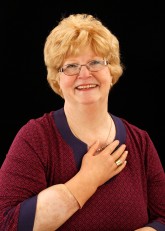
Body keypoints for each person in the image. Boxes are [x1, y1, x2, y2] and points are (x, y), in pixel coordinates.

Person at [0, 13, 165, 231]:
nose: (84, 74)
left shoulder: (140, 142)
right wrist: (87, 180)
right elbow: (7, 223)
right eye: (71, 66)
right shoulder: (35, 138)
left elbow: (163, 218)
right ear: (57, 78)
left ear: (111, 70)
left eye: (95, 62)